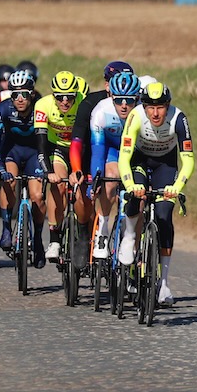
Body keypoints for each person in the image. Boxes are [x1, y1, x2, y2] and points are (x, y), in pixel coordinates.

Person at [118, 81, 195, 307]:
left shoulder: (179, 119)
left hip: (166, 165)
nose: (155, 113)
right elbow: (124, 157)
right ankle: (130, 236)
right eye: (150, 107)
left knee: (163, 215)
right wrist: (131, 185)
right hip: (139, 160)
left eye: (160, 107)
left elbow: (188, 160)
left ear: (168, 106)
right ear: (143, 107)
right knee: (135, 197)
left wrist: (177, 187)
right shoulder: (135, 116)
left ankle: (163, 283)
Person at [0, 70, 47, 267]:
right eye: (15, 95)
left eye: (24, 94)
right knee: (9, 180)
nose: (20, 99)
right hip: (11, 152)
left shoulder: (40, 108)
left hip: (34, 154)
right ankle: (6, 227)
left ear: (32, 93)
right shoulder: (3, 109)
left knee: (37, 196)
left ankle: (38, 239)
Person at [83, 70, 142, 259]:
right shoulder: (101, 111)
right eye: (119, 100)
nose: (124, 105)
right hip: (111, 149)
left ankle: (135, 247)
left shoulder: (143, 112)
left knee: (141, 197)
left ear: (138, 99)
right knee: (110, 179)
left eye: (129, 100)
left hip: (135, 152)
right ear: (111, 97)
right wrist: (96, 180)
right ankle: (103, 227)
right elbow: (98, 151)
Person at [34, 70, 87, 264]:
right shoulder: (43, 105)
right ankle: (55, 238)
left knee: (83, 191)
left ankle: (84, 230)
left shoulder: (84, 103)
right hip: (56, 148)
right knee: (59, 184)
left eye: (69, 97)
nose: (65, 101)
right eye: (59, 97)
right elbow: (40, 142)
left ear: (76, 95)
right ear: (53, 95)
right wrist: (48, 172)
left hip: (80, 149)